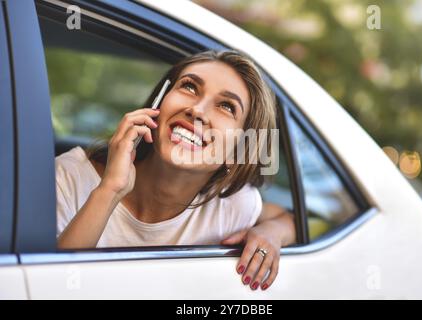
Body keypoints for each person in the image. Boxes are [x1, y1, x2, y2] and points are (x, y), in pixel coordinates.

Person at [56, 49, 296, 291]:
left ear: (239, 150)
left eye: (226, 106)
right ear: (158, 103)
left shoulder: (233, 208)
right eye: (190, 87)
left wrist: (272, 234)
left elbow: (286, 219)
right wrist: (109, 191)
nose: (197, 110)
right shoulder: (69, 176)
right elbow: (52, 287)